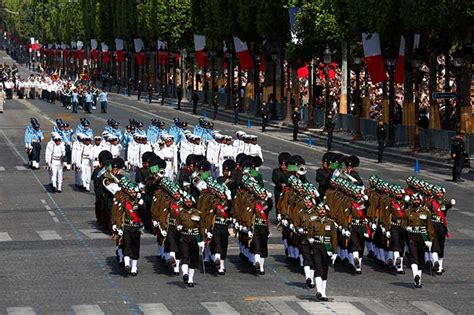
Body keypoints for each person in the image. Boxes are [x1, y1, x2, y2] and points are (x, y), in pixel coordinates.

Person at [111, 177, 144, 276]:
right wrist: (117, 226)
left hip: (136, 227)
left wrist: (142, 205)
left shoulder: (139, 201)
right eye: (132, 192)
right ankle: (126, 265)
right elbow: (118, 213)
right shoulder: (125, 201)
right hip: (126, 226)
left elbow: (144, 215)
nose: (133, 194)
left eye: (135, 192)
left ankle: (134, 267)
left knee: (135, 247)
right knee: (126, 245)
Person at [404, 193, 435, 288]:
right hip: (412, 236)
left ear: (421, 201)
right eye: (414, 200)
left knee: (421, 257)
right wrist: (406, 228)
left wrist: (430, 239)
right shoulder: (408, 212)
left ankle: (418, 281)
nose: (416, 201)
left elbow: (430, 227)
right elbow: (403, 224)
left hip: (422, 236)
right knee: (413, 255)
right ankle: (415, 275)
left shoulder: (426, 212)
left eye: (418, 200)